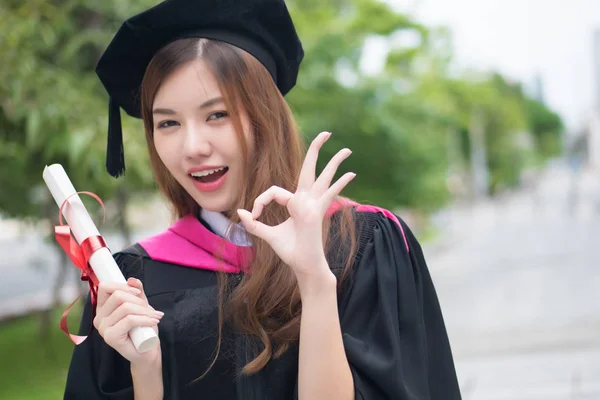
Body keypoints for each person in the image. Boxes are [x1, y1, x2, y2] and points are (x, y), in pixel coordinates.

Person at [63, 0, 462, 399]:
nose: (192, 147)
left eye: (216, 114)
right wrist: (146, 369)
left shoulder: (363, 245)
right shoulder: (136, 280)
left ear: (264, 116)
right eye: (168, 123)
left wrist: (316, 282)